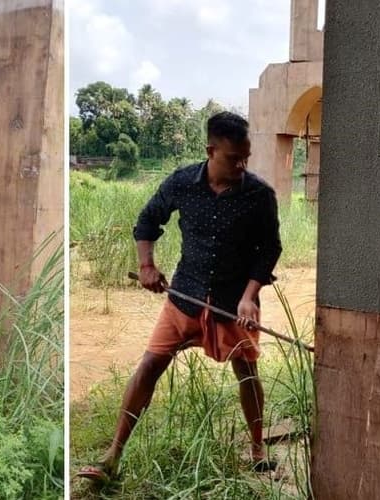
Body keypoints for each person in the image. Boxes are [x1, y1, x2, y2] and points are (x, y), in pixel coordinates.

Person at [77, 111, 283, 482]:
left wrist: (250, 295)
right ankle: (112, 456)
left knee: (247, 372)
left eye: (245, 158)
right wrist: (146, 266)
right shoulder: (183, 182)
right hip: (184, 297)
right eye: (234, 157)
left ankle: (257, 449)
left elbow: (269, 249)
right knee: (149, 366)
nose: (241, 165)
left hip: (233, 305)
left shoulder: (259, 195)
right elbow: (147, 220)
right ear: (210, 150)